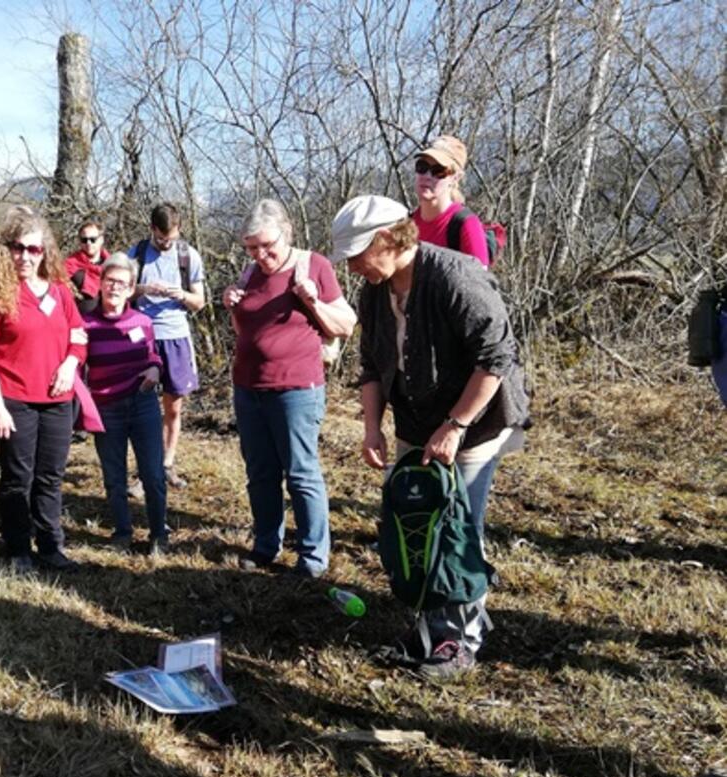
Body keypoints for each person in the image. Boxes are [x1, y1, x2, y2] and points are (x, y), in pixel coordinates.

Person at [329, 194, 530, 679]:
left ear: (385, 240)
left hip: (475, 421)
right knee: (415, 518)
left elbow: (496, 358)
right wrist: (373, 427)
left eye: (357, 254)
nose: (353, 267)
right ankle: (430, 627)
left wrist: (456, 425)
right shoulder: (375, 290)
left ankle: (462, 639)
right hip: (416, 420)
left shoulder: (455, 276)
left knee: (458, 526)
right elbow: (373, 366)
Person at [221, 199, 357, 579]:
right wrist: (232, 304)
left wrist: (312, 300)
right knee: (260, 472)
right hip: (248, 388)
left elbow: (345, 324)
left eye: (267, 246)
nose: (261, 255)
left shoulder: (313, 265)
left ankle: (313, 558)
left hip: (296, 388)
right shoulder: (249, 274)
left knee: (301, 473)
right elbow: (247, 330)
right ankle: (266, 545)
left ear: (288, 233)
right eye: (252, 248)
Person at [0, 206, 86, 573]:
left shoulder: (60, 292)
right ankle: (18, 548)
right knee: (18, 479)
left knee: (50, 476)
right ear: (7, 250)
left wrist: (70, 363)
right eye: (18, 248)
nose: (25, 256)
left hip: (57, 401)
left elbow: (78, 336)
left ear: (45, 252)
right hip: (14, 400)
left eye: (34, 249)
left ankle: (51, 545)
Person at [81, 253, 168, 555]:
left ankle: (159, 534)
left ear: (132, 289)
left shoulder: (143, 321)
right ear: (100, 284)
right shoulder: (87, 325)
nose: (114, 287)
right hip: (107, 408)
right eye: (109, 281)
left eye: (122, 283)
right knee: (114, 476)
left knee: (153, 475)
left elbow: (154, 355)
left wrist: (156, 368)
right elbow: (77, 366)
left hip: (143, 404)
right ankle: (122, 532)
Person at [129, 203, 206, 489]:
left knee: (173, 406)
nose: (166, 244)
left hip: (176, 336)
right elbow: (118, 289)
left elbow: (199, 302)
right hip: (142, 337)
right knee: (141, 405)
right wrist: (145, 289)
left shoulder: (188, 256)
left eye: (171, 239)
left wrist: (182, 294)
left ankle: (166, 464)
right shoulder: (136, 254)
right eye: (161, 239)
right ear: (152, 229)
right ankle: (143, 470)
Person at [411, 135, 490, 268]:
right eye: (422, 167)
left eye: (439, 171)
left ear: (455, 178)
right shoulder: (408, 223)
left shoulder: (465, 224)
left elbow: (479, 285)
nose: (427, 176)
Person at [64, 218, 110, 313]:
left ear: (101, 240)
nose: (88, 243)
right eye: (84, 240)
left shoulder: (111, 266)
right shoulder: (70, 264)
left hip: (106, 319)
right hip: (80, 319)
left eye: (93, 239)